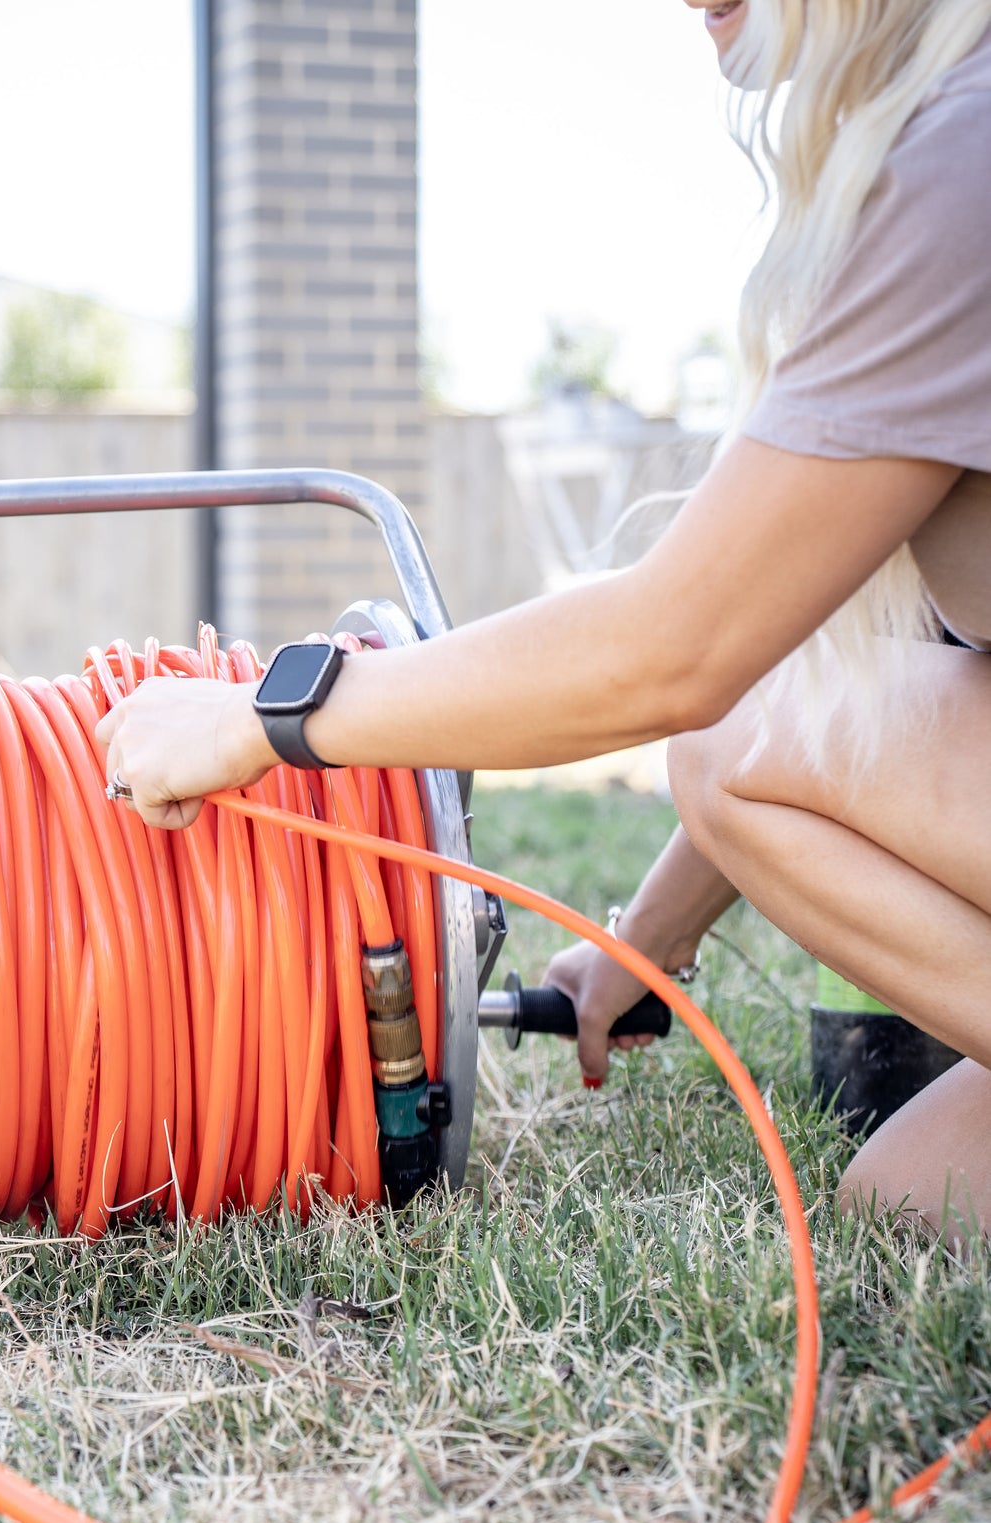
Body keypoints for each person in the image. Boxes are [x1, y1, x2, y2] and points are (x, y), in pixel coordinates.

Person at [97, 0, 991, 1244]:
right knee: (902, 1196)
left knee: (724, 739)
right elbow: (806, 644)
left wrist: (266, 719)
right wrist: (642, 945)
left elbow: (681, 655)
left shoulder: (963, 160)